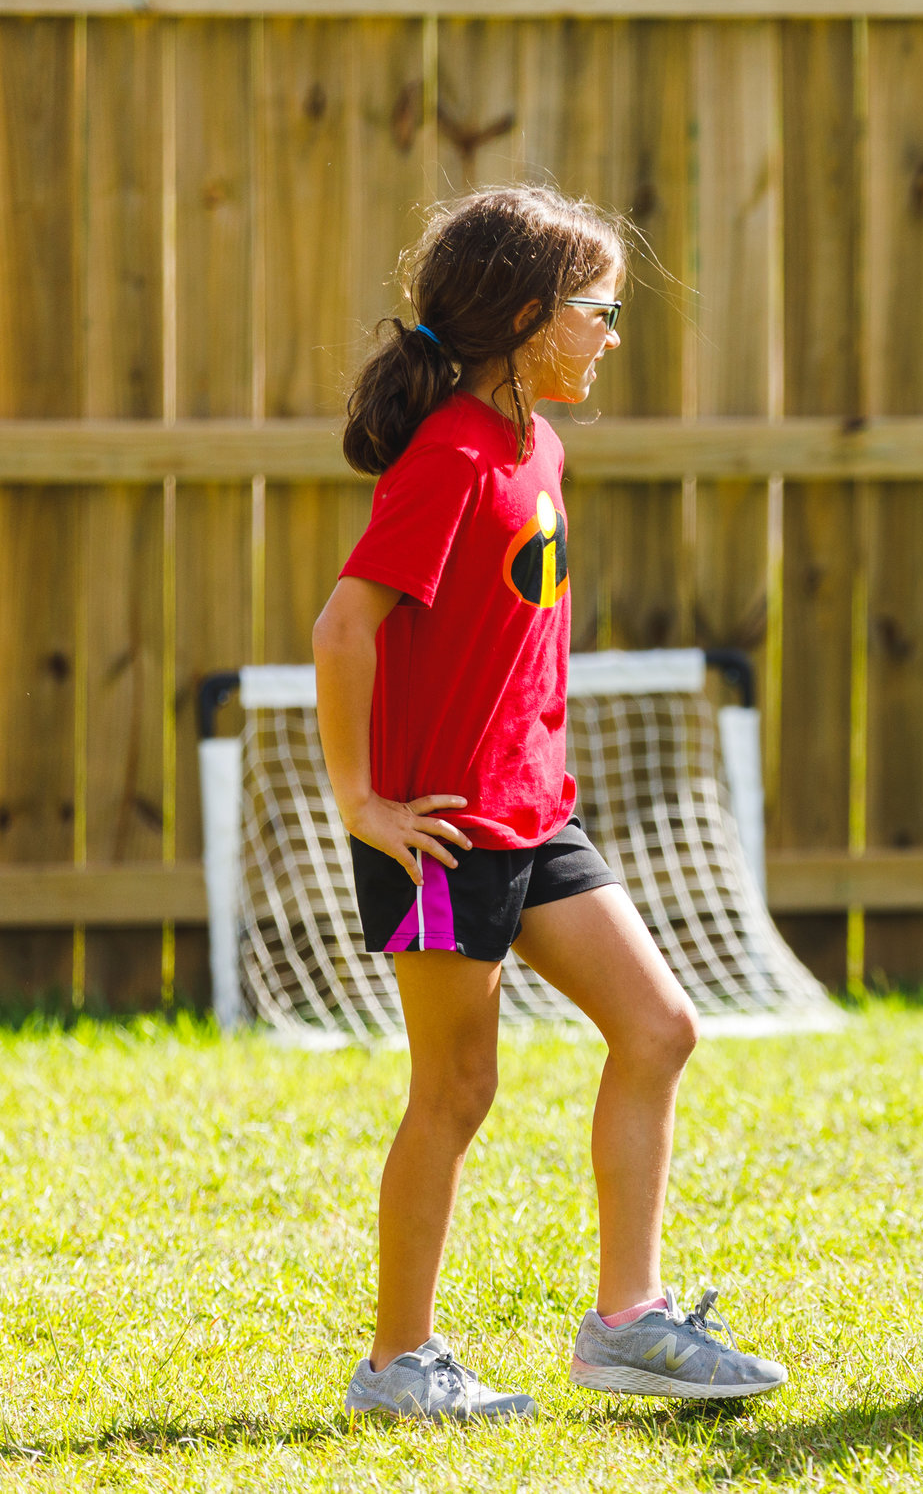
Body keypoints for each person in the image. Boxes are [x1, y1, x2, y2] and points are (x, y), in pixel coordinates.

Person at [316, 186, 788, 1419]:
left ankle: (627, 1322)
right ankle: (397, 1365)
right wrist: (364, 799)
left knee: (661, 1025)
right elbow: (342, 625)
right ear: (525, 320)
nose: (612, 335)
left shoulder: (541, 445)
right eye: (598, 311)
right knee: (456, 1090)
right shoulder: (452, 457)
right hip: (441, 829)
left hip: (534, 813)